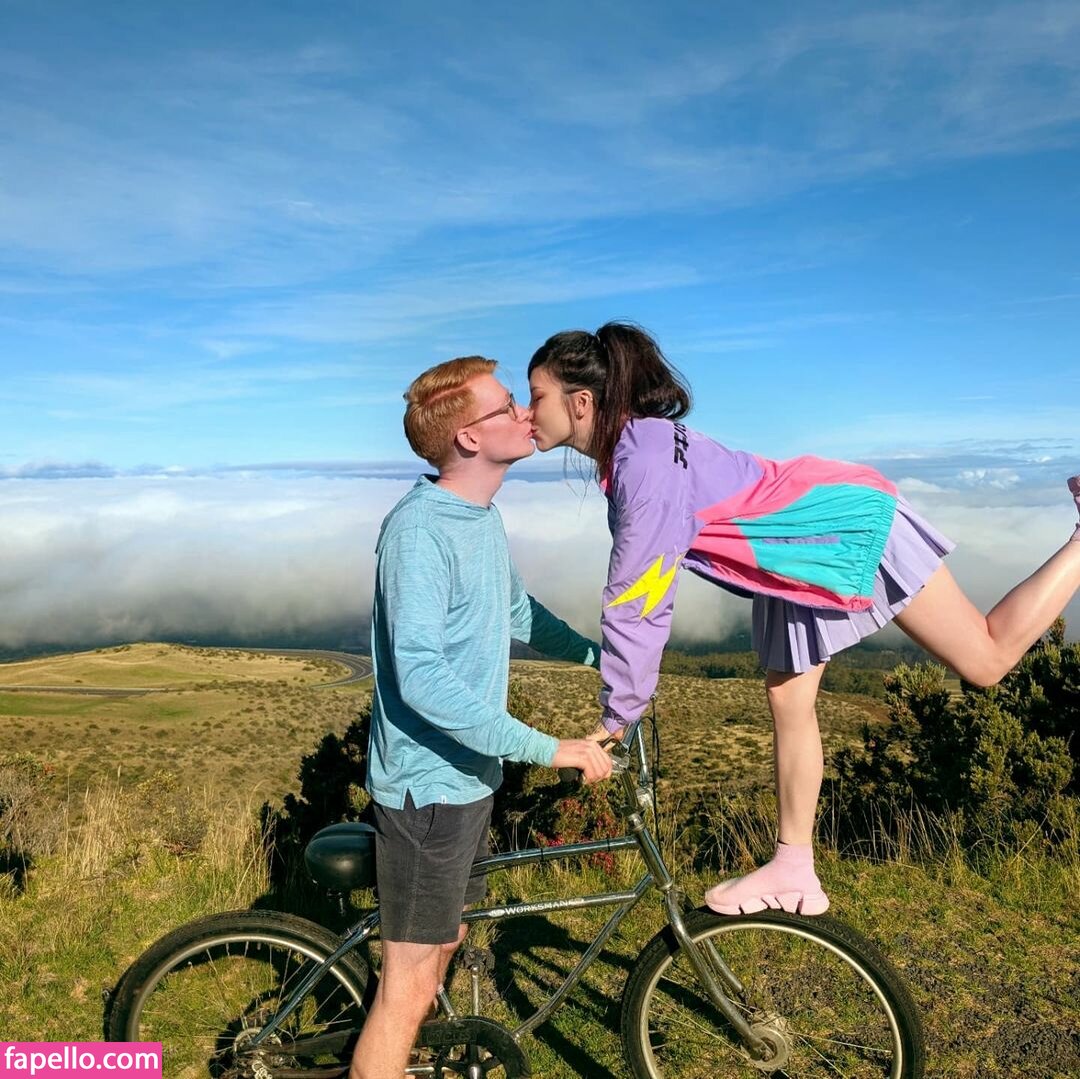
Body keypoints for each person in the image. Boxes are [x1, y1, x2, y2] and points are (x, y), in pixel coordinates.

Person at [526, 321, 1080, 918]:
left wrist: (616, 719)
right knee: (789, 700)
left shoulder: (644, 466)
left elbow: (637, 599)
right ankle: (794, 868)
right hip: (793, 552)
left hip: (837, 528)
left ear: (581, 402)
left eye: (537, 396)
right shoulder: (644, 444)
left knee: (987, 659)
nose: (529, 412)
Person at [351, 356, 612, 1079]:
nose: (526, 414)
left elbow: (516, 611)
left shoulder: (480, 516)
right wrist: (547, 746)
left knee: (444, 943)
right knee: (406, 988)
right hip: (426, 793)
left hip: (466, 783)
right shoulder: (419, 532)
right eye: (506, 407)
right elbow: (421, 677)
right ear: (468, 437)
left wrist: (599, 658)